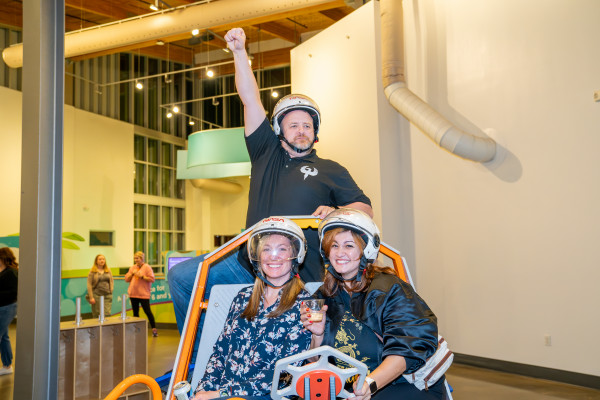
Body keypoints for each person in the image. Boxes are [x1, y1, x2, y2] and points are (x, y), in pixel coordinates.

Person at [168, 26, 373, 358]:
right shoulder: (265, 152)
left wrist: (337, 213)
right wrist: (238, 52)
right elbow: (250, 98)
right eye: (293, 124)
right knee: (181, 277)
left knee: (294, 343)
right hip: (247, 262)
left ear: (315, 133)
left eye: (308, 125)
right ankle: (199, 360)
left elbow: (365, 210)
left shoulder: (332, 169)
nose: (301, 130)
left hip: (300, 272)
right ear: (279, 131)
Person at [301, 209, 446, 400]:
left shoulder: (389, 289)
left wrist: (368, 385)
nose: (340, 252)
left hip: (397, 384)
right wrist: (317, 336)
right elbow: (316, 362)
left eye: (349, 245)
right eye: (334, 246)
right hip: (350, 387)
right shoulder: (324, 294)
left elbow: (406, 350)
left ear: (366, 249)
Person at [192, 217, 312, 400]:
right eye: (267, 249)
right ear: (257, 256)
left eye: (282, 249)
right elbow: (220, 351)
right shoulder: (242, 297)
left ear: (296, 255)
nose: (274, 256)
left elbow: (283, 375)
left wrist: (220, 394)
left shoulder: (304, 304)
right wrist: (203, 390)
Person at [125, 251, 158, 337]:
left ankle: (154, 329)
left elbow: (152, 279)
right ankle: (136, 330)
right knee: (135, 313)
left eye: (137, 258)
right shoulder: (132, 268)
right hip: (133, 294)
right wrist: (132, 274)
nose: (136, 260)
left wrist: (142, 276)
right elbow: (126, 279)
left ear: (142, 258)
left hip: (143, 294)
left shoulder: (147, 267)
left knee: (147, 311)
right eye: (135, 258)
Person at [0, 248, 18, 376]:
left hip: (7, 307)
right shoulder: (2, 271)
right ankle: (7, 366)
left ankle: (7, 365)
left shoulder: (11, 272)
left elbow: (13, 292)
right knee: (4, 336)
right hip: (2, 307)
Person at [86, 254, 114, 319]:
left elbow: (111, 281)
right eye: (100, 259)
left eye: (103, 259)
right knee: (97, 314)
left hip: (107, 295)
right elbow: (89, 284)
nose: (102, 260)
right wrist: (91, 297)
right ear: (96, 261)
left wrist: (111, 290)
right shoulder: (92, 271)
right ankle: (97, 328)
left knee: (107, 314)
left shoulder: (108, 270)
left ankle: (106, 328)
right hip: (96, 295)